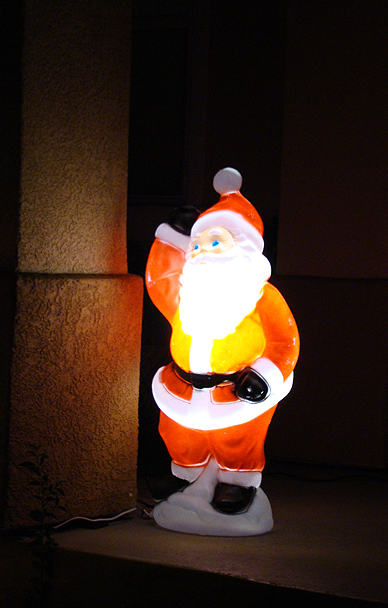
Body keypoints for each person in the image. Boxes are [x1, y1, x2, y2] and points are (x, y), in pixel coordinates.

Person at [146, 168, 299, 525]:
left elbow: (284, 339)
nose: (202, 252)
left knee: (238, 437)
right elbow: (161, 281)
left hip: (236, 391)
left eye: (215, 243)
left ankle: (235, 481)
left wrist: (264, 375)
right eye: (197, 245)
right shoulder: (186, 293)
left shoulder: (261, 296)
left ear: (243, 250)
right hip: (182, 386)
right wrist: (173, 238)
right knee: (178, 432)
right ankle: (185, 471)